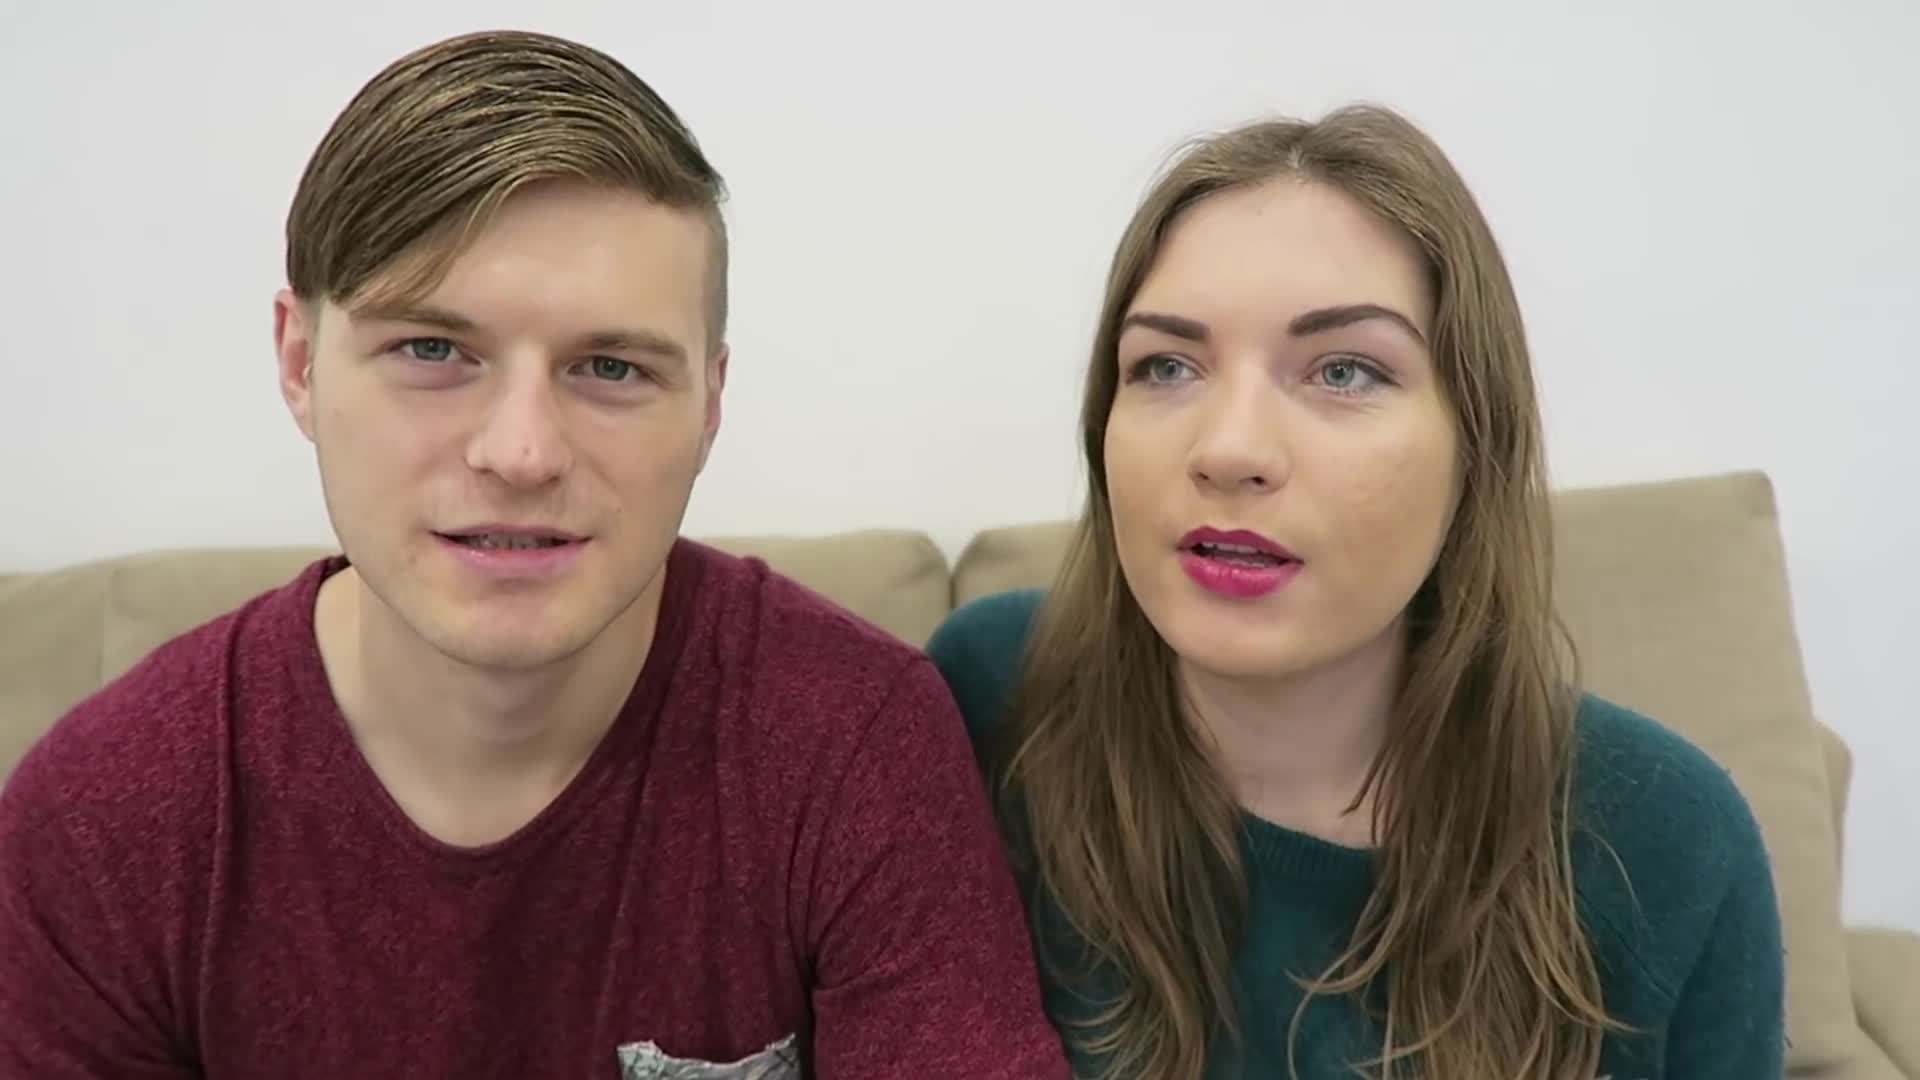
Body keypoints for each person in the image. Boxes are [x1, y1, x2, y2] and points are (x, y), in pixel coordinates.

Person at [0, 30, 1068, 1079]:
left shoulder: (852, 741)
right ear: (300, 363)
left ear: (709, 404)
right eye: (431, 349)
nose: (521, 454)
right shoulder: (107, 814)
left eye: (610, 367)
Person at [927, 105, 1785, 1079]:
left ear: (1476, 445)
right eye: (1166, 365)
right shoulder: (988, 698)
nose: (1230, 449)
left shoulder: (1668, 840)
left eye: (1343, 370)